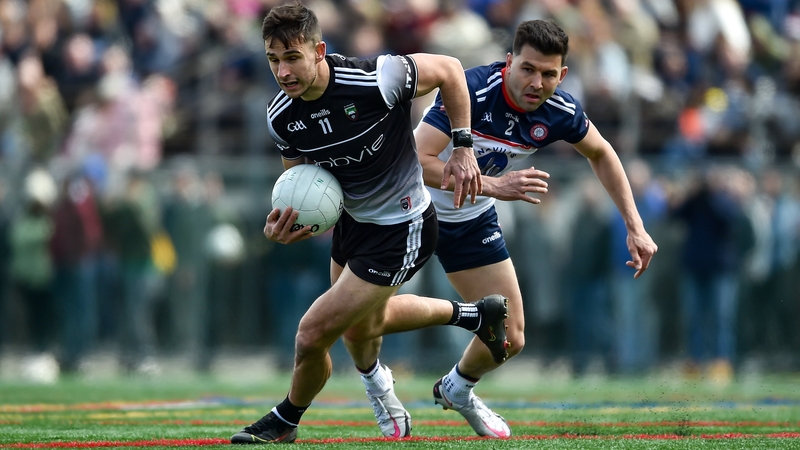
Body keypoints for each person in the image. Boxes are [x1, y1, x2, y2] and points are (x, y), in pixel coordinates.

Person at [231, 2, 511, 444]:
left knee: (312, 333)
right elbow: (299, 185)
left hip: (403, 226)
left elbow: (450, 70)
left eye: (292, 57)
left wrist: (462, 148)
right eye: (273, 59)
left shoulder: (376, 78)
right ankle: (470, 319)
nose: (282, 72)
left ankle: (286, 419)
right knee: (359, 328)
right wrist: (285, 226)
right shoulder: (281, 116)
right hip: (352, 224)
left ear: (319, 51)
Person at [381, 19, 659, 438]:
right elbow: (417, 162)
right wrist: (495, 186)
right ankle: (374, 382)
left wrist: (635, 226)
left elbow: (601, 153)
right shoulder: (471, 91)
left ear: (562, 75)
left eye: (548, 74)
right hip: (409, 211)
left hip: (470, 219)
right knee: (360, 317)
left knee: (509, 336)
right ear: (509, 62)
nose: (536, 82)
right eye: (527, 69)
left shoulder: (560, 110)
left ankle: (457, 388)